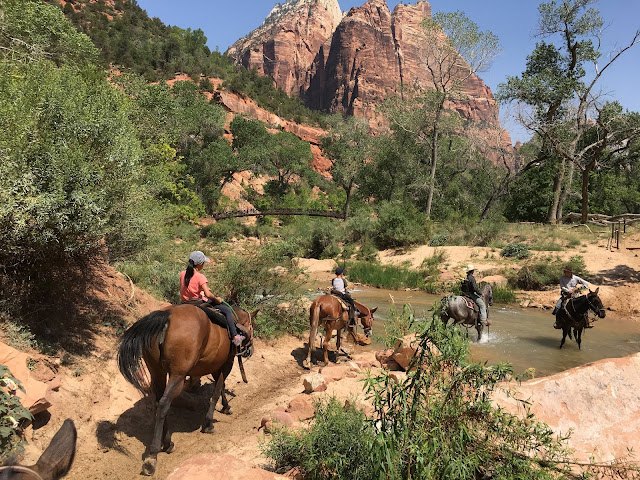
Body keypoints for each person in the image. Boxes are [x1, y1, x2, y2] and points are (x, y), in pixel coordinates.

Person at [180, 250, 244, 346]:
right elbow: (208, 294)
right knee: (226, 310)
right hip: (198, 303)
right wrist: (216, 299)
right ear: (200, 264)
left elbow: (188, 287)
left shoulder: (182, 273)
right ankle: (235, 337)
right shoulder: (200, 277)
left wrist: (200, 289)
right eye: (204, 262)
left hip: (185, 302)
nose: (204, 264)